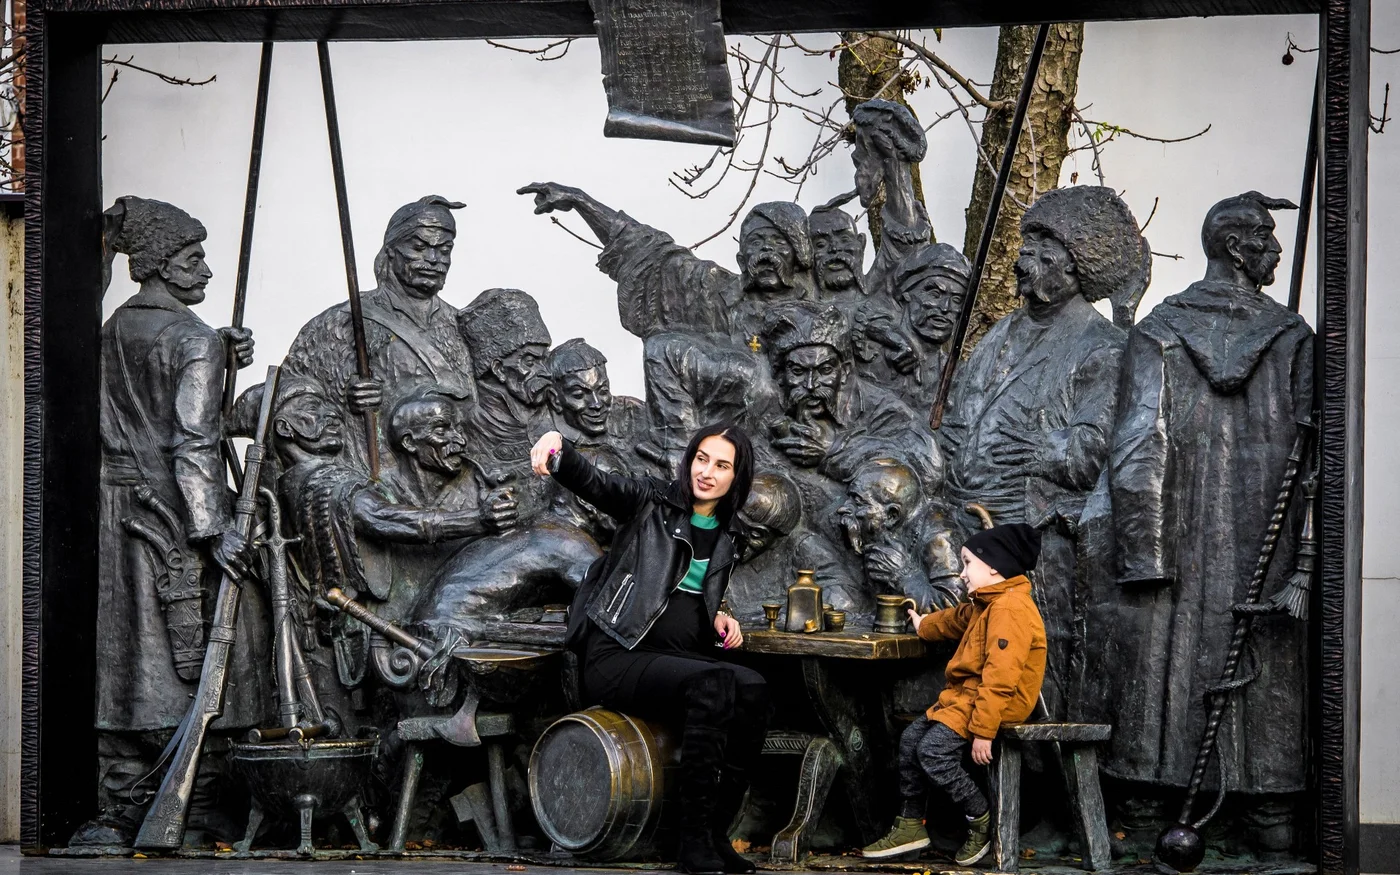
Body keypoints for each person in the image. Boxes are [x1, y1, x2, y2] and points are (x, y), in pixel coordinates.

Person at [1093, 192, 1312, 852]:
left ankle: (1151, 793)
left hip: (1175, 547)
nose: (1275, 251)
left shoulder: (1161, 328)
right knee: (1247, 661)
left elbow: (1137, 447)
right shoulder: (1290, 336)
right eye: (1266, 239)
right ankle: (1265, 808)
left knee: (1171, 664)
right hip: (1259, 549)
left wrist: (1144, 552)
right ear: (1240, 247)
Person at [81, 195, 267, 847]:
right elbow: (193, 445)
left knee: (128, 658)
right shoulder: (191, 339)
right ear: (158, 264)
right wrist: (219, 532)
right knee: (215, 655)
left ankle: (117, 805)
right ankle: (201, 802)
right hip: (179, 520)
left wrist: (221, 356)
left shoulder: (106, 334)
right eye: (192, 259)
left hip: (117, 515)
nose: (207, 270)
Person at [529, 423, 766, 875]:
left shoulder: (730, 534)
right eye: (701, 458)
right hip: (619, 653)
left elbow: (690, 591)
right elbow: (597, 484)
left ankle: (716, 835)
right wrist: (559, 444)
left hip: (677, 658)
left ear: (737, 477)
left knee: (753, 688)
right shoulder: (651, 502)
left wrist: (721, 612)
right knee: (714, 682)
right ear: (689, 459)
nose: (707, 472)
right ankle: (690, 842)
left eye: (721, 465)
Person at [861, 523, 1046, 866]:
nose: (961, 574)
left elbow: (1001, 678)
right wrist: (921, 624)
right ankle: (911, 823)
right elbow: (953, 619)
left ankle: (980, 818)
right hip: (968, 698)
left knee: (933, 752)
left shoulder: (1009, 609)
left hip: (996, 703)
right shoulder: (985, 604)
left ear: (994, 567)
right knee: (910, 740)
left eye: (967, 564)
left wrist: (984, 732)